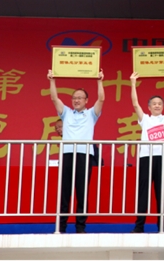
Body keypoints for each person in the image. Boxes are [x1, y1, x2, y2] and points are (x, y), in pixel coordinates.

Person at [48, 69, 105, 234]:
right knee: (64, 191)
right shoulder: (66, 113)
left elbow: (101, 99)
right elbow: (54, 98)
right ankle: (61, 226)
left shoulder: (91, 114)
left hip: (84, 155)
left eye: (80, 98)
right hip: (67, 154)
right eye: (74, 98)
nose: (76, 100)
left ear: (86, 101)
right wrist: (52, 80)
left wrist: (99, 81)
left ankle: (80, 227)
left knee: (82, 191)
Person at [130, 72, 164, 234]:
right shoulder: (145, 119)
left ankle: (162, 227)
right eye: (154, 104)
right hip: (146, 158)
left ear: (163, 107)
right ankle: (139, 226)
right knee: (143, 192)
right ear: (149, 107)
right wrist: (133, 83)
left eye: (159, 104)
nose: (157, 106)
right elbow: (135, 103)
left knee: (161, 193)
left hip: (161, 158)